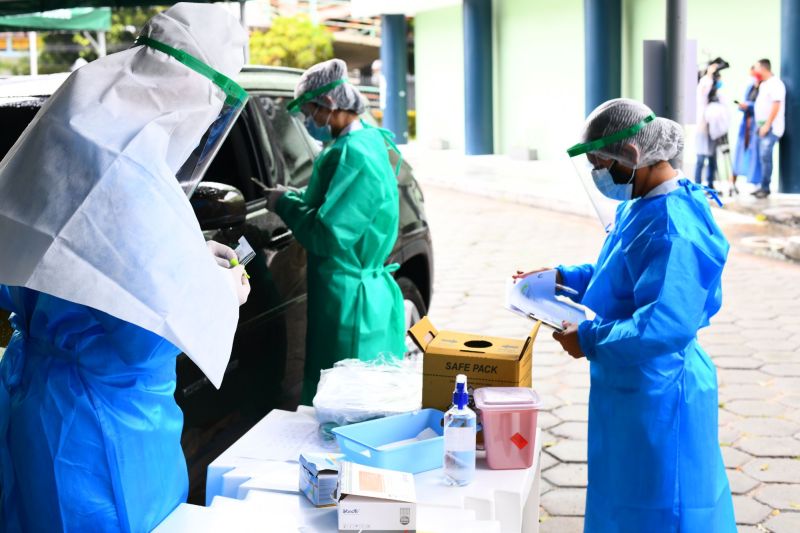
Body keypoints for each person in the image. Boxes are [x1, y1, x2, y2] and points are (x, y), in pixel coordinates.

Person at [0, 4, 250, 531]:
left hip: (37, 401)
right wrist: (222, 289)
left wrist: (189, 259)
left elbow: (42, 261)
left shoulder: (77, 132)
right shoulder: (131, 175)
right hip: (103, 435)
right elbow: (143, 340)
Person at [520, 99, 736, 532]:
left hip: (660, 388)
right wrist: (562, 278)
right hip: (630, 383)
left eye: (601, 165)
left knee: (663, 507)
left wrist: (589, 339)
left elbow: (662, 324)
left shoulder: (674, 226)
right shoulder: (643, 204)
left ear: (632, 155)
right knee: (623, 500)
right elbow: (621, 270)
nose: (599, 176)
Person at [263, 59, 406, 405]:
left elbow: (328, 234)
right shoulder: (365, 141)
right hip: (353, 289)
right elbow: (337, 202)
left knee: (345, 401)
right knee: (352, 395)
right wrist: (298, 197)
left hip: (349, 300)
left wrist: (285, 205)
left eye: (309, 112)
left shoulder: (355, 155)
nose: (308, 121)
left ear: (328, 104)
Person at [753, 58, 785, 198]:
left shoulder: (776, 84)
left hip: (770, 128)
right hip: (762, 127)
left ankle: (765, 188)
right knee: (762, 158)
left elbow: (776, 105)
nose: (755, 71)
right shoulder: (764, 84)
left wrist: (767, 125)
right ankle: (761, 185)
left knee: (766, 157)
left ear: (763, 68)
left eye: (756, 68)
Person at [695, 61, 729, 191]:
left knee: (713, 158)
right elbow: (703, 93)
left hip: (714, 129)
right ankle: (697, 186)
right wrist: (709, 74)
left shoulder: (719, 94)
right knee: (700, 159)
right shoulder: (702, 88)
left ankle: (710, 184)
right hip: (702, 127)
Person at [732, 66, 762, 192]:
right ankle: (733, 183)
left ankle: (757, 183)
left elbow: (761, 106)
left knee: (756, 154)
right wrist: (743, 106)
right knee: (739, 153)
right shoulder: (750, 87)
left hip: (756, 125)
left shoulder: (764, 88)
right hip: (745, 125)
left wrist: (749, 105)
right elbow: (745, 102)